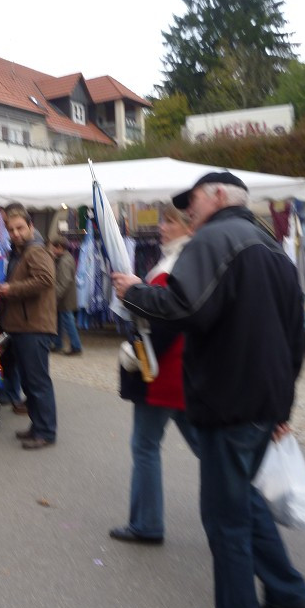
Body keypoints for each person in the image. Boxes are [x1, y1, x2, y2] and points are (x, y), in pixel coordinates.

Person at [112, 172, 305, 608]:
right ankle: (287, 589)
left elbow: (185, 306)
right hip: (264, 401)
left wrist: (133, 292)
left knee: (225, 515)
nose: (188, 212)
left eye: (194, 201)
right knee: (241, 500)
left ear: (220, 196)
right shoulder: (271, 247)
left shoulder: (215, 239)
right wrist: (283, 405)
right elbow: (293, 338)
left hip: (229, 399)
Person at [109, 204, 200, 545]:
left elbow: (164, 320)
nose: (161, 227)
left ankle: (147, 523)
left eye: (169, 221)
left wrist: (138, 352)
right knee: (208, 449)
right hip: (180, 371)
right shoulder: (185, 259)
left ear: (187, 225)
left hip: (161, 371)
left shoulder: (178, 263)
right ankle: (250, 509)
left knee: (145, 447)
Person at [0, 203, 57, 450]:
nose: (16, 233)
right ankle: (37, 426)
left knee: (38, 382)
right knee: (30, 382)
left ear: (30, 226)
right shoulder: (21, 251)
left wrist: (12, 289)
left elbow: (45, 279)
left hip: (35, 326)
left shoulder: (36, 251)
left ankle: (46, 431)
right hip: (23, 325)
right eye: (11, 229)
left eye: (20, 228)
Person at [49, 237, 82, 356]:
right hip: (64, 297)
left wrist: (55, 297)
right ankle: (58, 344)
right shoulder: (64, 258)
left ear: (59, 247)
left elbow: (64, 281)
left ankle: (76, 346)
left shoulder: (64, 261)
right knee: (60, 322)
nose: (52, 249)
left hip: (65, 298)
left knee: (68, 322)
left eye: (54, 247)